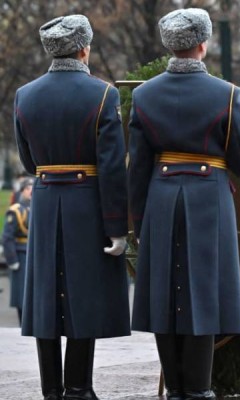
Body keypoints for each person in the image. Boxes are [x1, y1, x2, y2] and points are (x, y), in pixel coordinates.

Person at [128, 8, 240, 399]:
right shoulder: (226, 94)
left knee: (164, 295)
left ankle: (175, 389)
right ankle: (199, 390)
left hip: (161, 197)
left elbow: (138, 168)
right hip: (209, 198)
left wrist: (138, 222)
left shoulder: (143, 94)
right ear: (203, 44)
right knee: (203, 291)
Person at [14, 14, 130, 400]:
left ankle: (51, 390)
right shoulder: (103, 94)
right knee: (85, 295)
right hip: (87, 202)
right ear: (84, 48)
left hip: (46, 200)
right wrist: (118, 226)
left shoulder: (24, 95)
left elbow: (29, 163)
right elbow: (112, 166)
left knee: (46, 296)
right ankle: (79, 387)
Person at [2, 178, 33, 324]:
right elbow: (7, 237)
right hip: (21, 255)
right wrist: (12, 260)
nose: (31, 191)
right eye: (28, 188)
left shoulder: (37, 208)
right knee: (22, 296)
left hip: (35, 254)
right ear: (22, 191)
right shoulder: (15, 211)